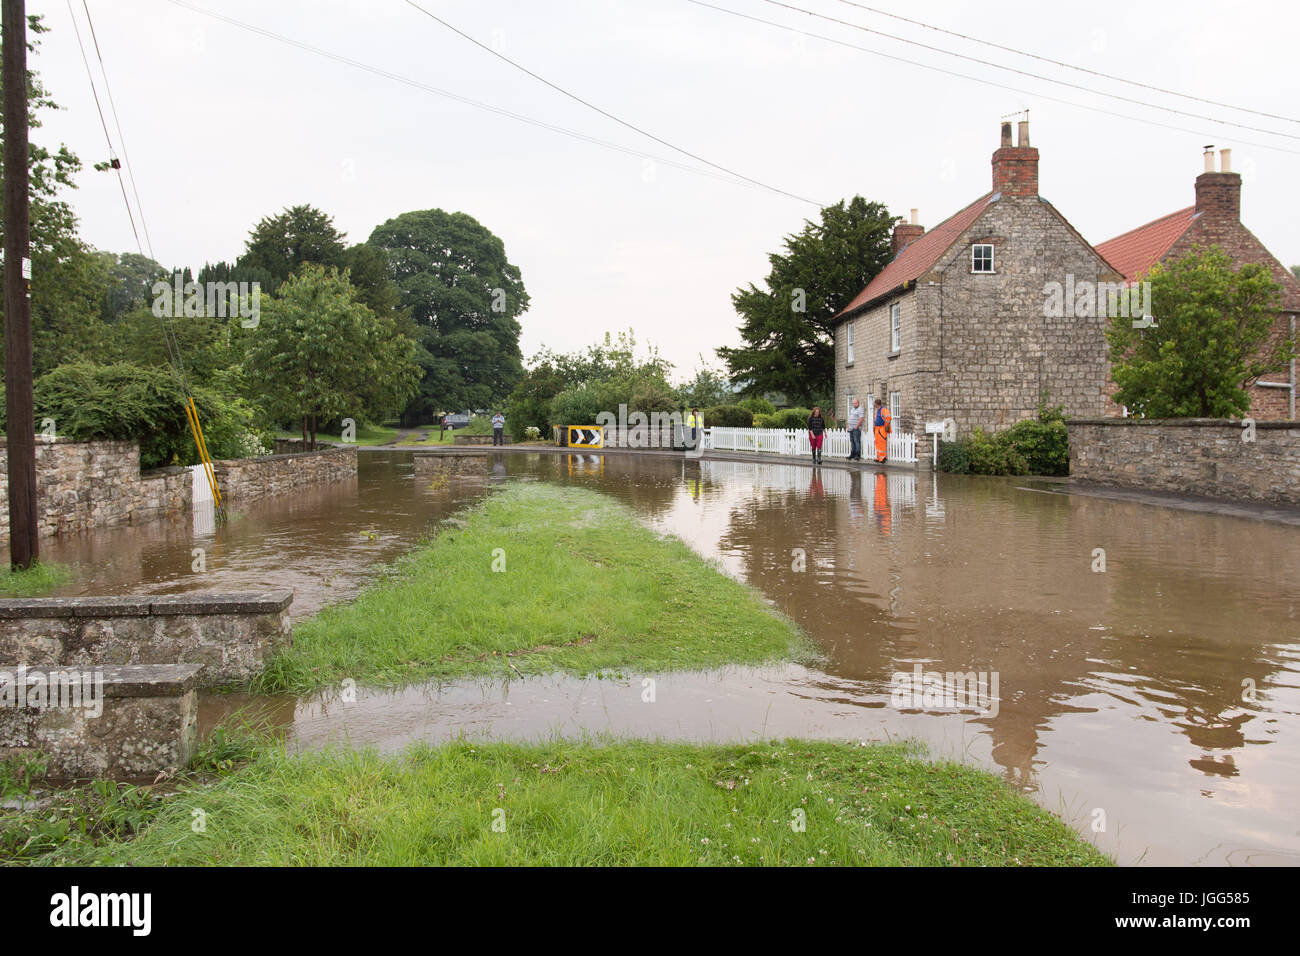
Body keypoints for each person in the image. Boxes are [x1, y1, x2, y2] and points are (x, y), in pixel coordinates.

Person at [873, 398, 891, 464]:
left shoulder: (883, 410)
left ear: (876, 404)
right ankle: (879, 457)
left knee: (882, 443)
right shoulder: (878, 410)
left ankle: (883, 458)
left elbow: (888, 418)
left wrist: (886, 426)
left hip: (882, 429)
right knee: (877, 443)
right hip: (877, 428)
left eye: (874, 403)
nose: (874, 404)